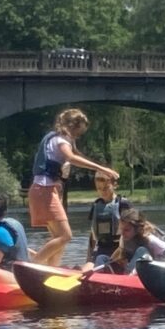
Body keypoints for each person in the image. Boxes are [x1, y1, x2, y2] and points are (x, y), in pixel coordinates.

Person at [27, 108, 120, 267]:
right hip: (44, 190)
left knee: (58, 237)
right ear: (73, 126)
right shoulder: (61, 140)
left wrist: (98, 167)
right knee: (65, 236)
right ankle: (31, 265)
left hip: (42, 190)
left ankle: (52, 269)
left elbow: (76, 153)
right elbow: (71, 157)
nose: (79, 136)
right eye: (79, 132)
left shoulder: (59, 138)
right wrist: (103, 169)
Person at [105, 209, 165, 275]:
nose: (122, 233)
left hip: (155, 272)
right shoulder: (124, 238)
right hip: (134, 269)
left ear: (138, 230)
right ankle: (101, 277)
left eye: (126, 230)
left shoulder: (150, 240)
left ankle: (127, 276)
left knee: (141, 250)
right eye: (121, 229)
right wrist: (110, 261)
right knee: (102, 258)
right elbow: (120, 250)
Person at [86, 172, 132, 267]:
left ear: (114, 185)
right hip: (102, 248)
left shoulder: (123, 204)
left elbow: (131, 229)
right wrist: (88, 258)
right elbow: (92, 235)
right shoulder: (96, 205)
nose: (103, 191)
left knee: (100, 261)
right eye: (99, 189)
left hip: (120, 249)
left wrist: (123, 251)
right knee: (89, 265)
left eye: (106, 188)